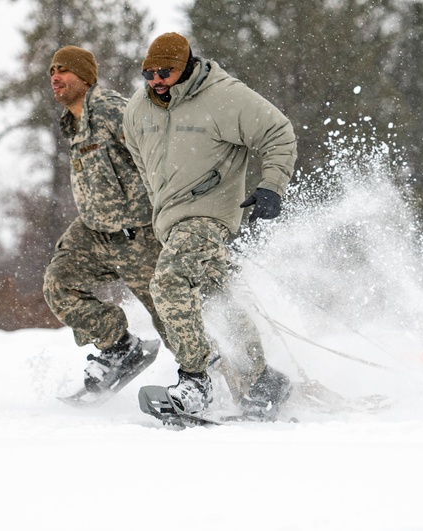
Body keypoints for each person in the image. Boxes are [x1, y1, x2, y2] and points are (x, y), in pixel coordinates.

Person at [123, 32, 298, 416]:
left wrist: (271, 186)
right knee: (220, 296)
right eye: (148, 73)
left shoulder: (224, 96)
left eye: (165, 71)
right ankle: (260, 382)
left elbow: (277, 132)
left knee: (168, 283)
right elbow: (140, 159)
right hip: (170, 222)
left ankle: (196, 379)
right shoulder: (138, 108)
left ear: (186, 65)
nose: (156, 80)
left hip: (209, 213)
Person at [41, 45, 166, 396]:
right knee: (59, 282)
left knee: (174, 317)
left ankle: (245, 382)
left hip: (140, 235)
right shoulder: (73, 124)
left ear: (85, 77)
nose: (55, 76)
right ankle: (120, 347)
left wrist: (176, 214)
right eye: (51, 70)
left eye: (63, 70)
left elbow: (158, 156)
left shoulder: (112, 110)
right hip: (97, 232)